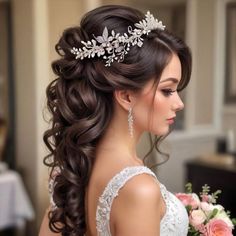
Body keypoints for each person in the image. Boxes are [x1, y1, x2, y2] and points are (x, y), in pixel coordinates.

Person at [39, 4, 192, 236]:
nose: (179, 103)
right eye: (167, 90)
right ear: (126, 96)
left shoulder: (69, 172)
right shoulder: (139, 189)